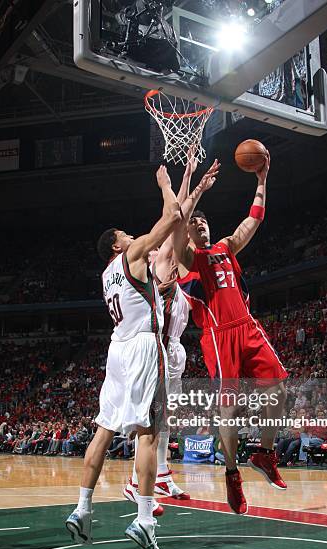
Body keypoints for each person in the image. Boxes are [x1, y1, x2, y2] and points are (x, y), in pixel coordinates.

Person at [65, 165, 182, 549]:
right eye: (125, 235)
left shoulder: (106, 275)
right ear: (118, 245)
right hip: (143, 348)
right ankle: (145, 519)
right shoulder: (132, 253)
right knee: (148, 433)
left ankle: (82, 509)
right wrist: (166, 186)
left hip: (117, 349)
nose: (132, 237)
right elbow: (173, 218)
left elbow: (138, 294)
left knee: (103, 430)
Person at [173, 151, 288, 515]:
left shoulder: (224, 248)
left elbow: (253, 220)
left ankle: (265, 454)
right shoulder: (187, 261)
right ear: (189, 231)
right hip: (219, 336)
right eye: (195, 223)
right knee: (229, 409)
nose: (201, 224)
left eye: (204, 221)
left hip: (247, 326)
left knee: (280, 387)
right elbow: (177, 231)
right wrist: (196, 194)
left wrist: (262, 180)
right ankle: (232, 475)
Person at [124, 158, 219, 510]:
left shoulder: (166, 265)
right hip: (154, 349)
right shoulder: (153, 265)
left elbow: (177, 223)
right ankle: (137, 481)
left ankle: (161, 472)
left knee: (165, 420)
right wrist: (191, 179)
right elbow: (176, 216)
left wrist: (194, 182)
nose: (153, 240)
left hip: (172, 349)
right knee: (150, 420)